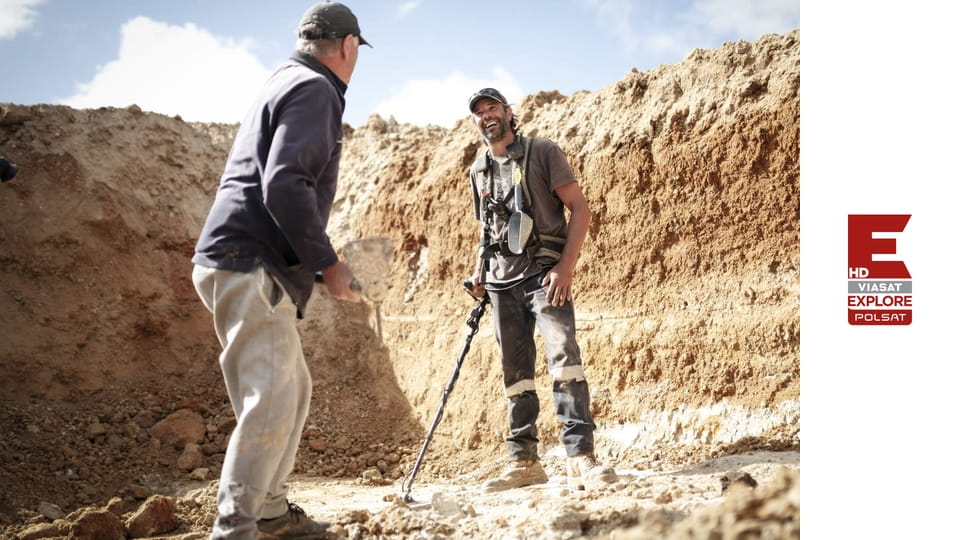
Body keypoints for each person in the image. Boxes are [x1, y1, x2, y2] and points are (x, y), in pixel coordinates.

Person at [191, 3, 369, 538]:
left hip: (242, 259)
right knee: (268, 400)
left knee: (292, 391)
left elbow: (274, 181)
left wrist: (310, 267)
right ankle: (235, 529)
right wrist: (329, 265)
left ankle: (269, 513)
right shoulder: (315, 88)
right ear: (349, 46)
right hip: (251, 264)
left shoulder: (285, 79)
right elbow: (285, 184)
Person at [464, 88, 617, 493]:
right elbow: (487, 231)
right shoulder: (478, 170)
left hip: (544, 277)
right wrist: (479, 273)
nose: (486, 115)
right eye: (479, 112)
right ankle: (524, 462)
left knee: (564, 359)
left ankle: (580, 457)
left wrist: (565, 268)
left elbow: (580, 209)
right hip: (500, 284)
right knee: (515, 374)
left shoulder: (543, 151)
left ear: (508, 112)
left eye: (492, 107)